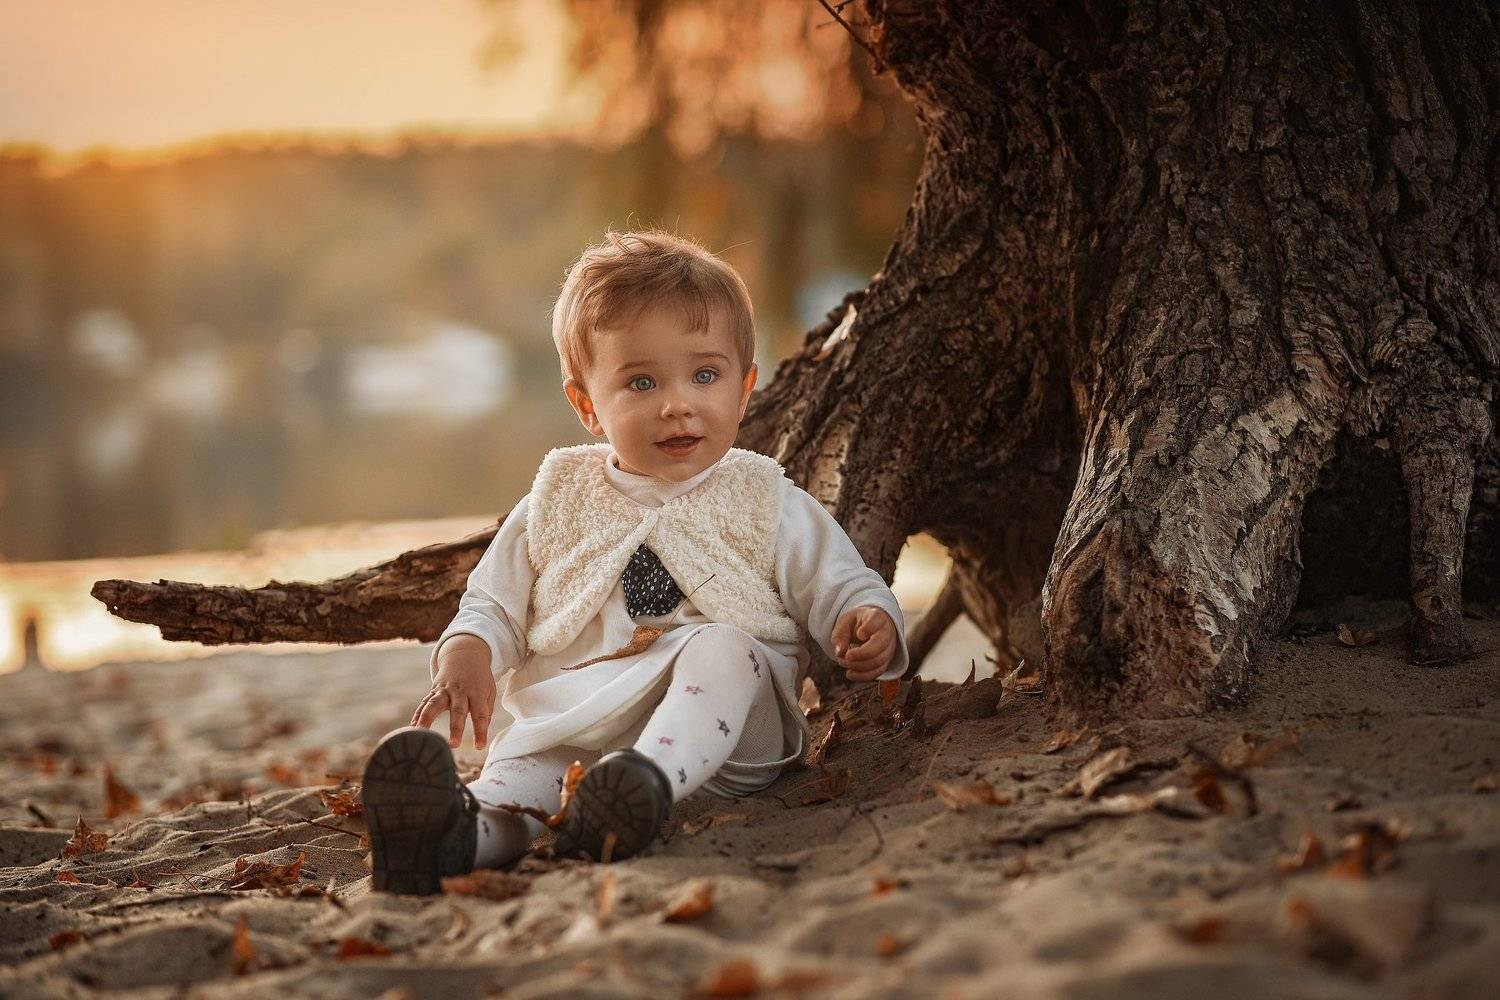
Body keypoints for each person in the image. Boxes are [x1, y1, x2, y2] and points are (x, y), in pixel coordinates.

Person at [361, 230, 908, 893]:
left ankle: (644, 785)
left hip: (727, 735)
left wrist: (864, 614)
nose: (677, 403)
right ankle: (455, 838)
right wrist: (468, 651)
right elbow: (492, 602)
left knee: (722, 645)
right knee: (520, 780)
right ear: (587, 405)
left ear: (745, 389)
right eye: (641, 382)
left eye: (705, 375)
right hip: (579, 722)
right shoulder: (556, 500)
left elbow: (836, 578)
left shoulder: (764, 497)